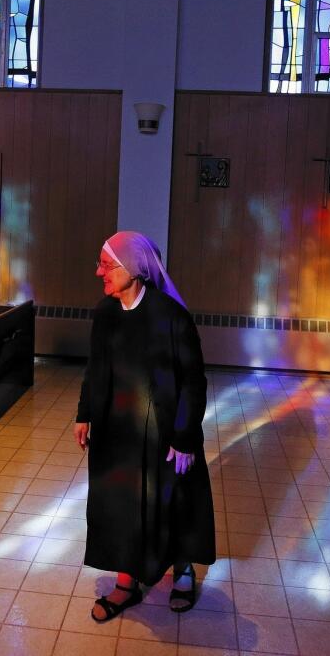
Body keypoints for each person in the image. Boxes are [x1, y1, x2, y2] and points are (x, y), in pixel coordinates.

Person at [74, 230, 216, 623]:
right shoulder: (104, 314)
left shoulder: (171, 317)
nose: (98, 271)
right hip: (116, 432)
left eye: (106, 264)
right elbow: (94, 368)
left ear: (133, 268)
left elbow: (194, 381)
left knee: (173, 503)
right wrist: (84, 412)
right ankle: (125, 580)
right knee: (119, 506)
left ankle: (182, 570)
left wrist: (185, 437)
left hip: (166, 434)